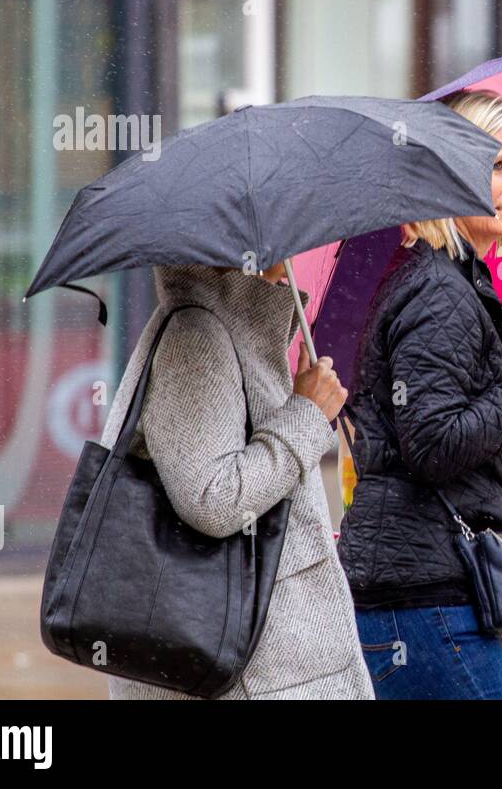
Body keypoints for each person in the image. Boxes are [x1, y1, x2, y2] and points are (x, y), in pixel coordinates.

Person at [337, 90, 502, 699]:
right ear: (451, 174)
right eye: (499, 166)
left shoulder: (447, 284)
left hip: (420, 590)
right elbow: (433, 444)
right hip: (425, 597)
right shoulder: (439, 292)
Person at [99, 260, 374, 699]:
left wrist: (300, 399)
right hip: (251, 672)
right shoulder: (196, 334)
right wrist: (306, 414)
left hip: (265, 664)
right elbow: (211, 497)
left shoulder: (231, 330)